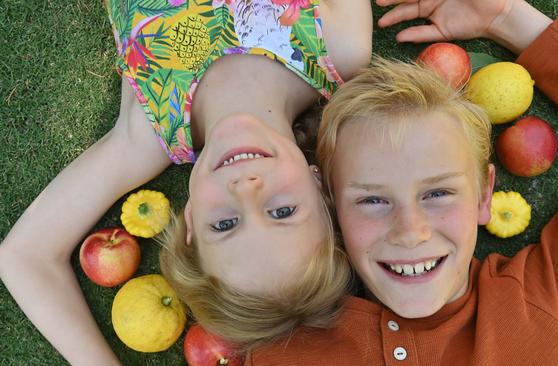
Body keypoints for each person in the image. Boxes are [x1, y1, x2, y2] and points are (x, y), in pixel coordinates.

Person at [245, 0, 558, 364]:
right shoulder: (278, 336)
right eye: (371, 200)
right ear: (329, 204)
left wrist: (505, 17)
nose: (410, 233)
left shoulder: (549, 309)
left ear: (483, 194)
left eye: (438, 193)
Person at [0, 0, 371, 363]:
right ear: (322, 189)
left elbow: (23, 256)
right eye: (282, 211)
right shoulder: (339, 48)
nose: (246, 188)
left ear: (191, 220)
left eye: (225, 224)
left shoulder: (147, 135)